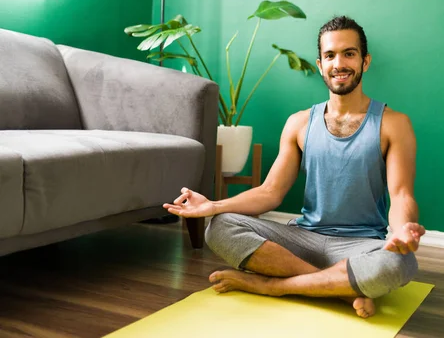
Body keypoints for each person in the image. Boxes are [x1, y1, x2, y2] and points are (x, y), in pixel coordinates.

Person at [163, 16, 425, 318]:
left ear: (365, 61)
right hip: (304, 240)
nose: (339, 63)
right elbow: (271, 192)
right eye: (330, 55)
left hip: (361, 245)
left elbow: (402, 194)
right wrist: (212, 206)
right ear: (319, 64)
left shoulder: (394, 124)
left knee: (399, 264)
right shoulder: (299, 123)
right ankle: (342, 289)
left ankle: (271, 286)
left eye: (349, 53)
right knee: (219, 226)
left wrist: (403, 229)